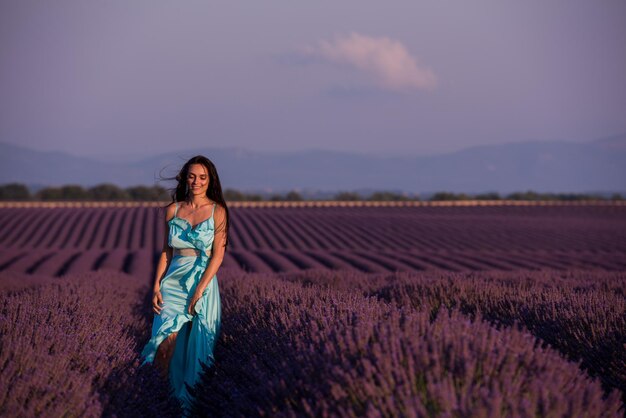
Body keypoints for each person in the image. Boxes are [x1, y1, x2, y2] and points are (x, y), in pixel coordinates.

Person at [140, 155, 230, 412]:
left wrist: (200, 290)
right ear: (184, 178)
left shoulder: (218, 211)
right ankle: (158, 403)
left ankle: (187, 408)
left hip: (202, 282)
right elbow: (167, 251)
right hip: (173, 283)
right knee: (163, 344)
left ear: (209, 180)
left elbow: (218, 255)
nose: (197, 181)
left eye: (202, 177)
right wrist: (156, 286)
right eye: (192, 176)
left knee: (197, 349)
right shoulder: (173, 210)